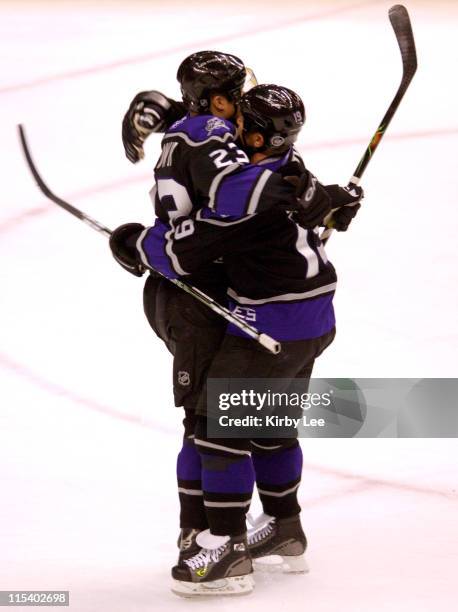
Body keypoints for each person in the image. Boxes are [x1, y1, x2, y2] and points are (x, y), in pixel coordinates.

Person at [112, 81, 362, 596]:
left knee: (219, 433)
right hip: (314, 320)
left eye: (242, 123)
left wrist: (134, 240)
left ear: (255, 133)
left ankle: (225, 551)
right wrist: (337, 202)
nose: (233, 130)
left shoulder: (242, 193)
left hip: (268, 326)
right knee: (269, 427)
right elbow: (316, 203)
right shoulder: (291, 166)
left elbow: (181, 254)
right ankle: (286, 530)